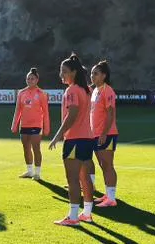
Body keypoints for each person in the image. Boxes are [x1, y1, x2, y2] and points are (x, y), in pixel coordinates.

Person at [48, 53, 94, 226]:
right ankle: (87, 213)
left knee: (73, 180)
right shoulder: (85, 90)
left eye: (64, 71)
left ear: (74, 72)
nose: (61, 75)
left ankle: (73, 217)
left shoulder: (72, 90)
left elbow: (72, 114)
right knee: (85, 177)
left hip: (75, 139)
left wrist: (58, 135)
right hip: (87, 139)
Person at [11, 67, 50, 179]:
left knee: (36, 148)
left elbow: (46, 113)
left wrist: (46, 128)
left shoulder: (41, 94)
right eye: (28, 78)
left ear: (37, 80)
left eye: (32, 79)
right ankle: (29, 171)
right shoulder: (21, 93)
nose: (30, 80)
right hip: (24, 125)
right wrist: (14, 125)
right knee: (26, 148)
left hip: (36, 125)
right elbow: (18, 110)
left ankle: (37, 173)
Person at [90, 59, 119, 208]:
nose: (92, 76)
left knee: (108, 164)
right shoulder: (95, 90)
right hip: (96, 134)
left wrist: (104, 133)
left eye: (96, 74)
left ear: (104, 76)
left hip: (107, 134)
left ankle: (112, 198)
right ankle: (108, 194)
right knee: (102, 164)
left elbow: (110, 114)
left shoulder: (108, 91)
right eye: (91, 73)